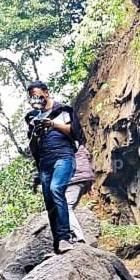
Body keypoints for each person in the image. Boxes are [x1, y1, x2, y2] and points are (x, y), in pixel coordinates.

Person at [25, 80, 80, 253]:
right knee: (49, 202)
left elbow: (75, 133)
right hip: (45, 163)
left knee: (57, 189)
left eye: (37, 95)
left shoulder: (62, 110)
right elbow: (32, 148)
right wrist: (35, 132)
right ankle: (58, 244)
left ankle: (65, 237)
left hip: (63, 156)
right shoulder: (33, 116)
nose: (35, 99)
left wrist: (53, 124)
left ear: (46, 93)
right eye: (32, 97)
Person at [65, 138, 95, 243]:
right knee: (69, 208)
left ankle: (77, 237)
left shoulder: (60, 146)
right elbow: (89, 158)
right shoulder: (80, 146)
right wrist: (89, 184)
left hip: (74, 179)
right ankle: (73, 235)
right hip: (85, 179)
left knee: (65, 208)